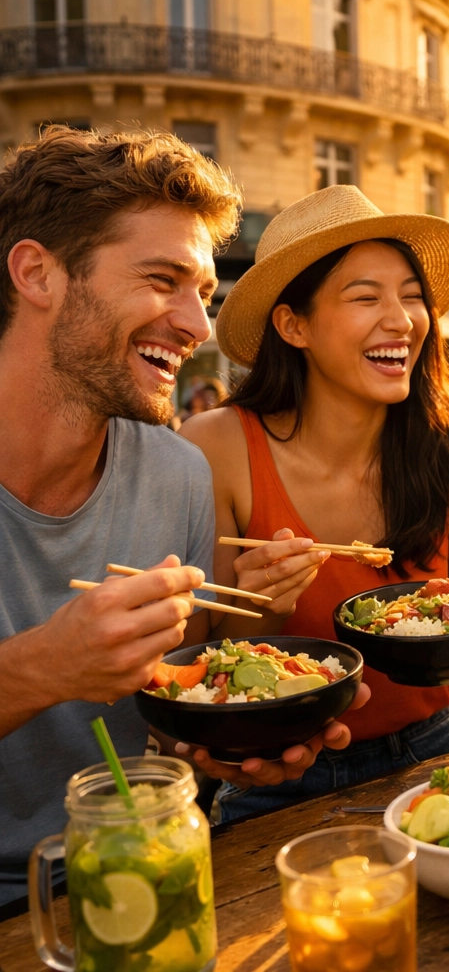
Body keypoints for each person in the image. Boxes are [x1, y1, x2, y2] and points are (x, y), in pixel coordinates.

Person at [0, 128, 367, 909]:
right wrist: (37, 670)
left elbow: (170, 719)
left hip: (149, 866)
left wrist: (235, 741)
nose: (199, 328)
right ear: (37, 273)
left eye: (202, 292)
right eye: (164, 280)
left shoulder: (176, 472)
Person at [181, 184, 449, 821]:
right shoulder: (216, 446)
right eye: (365, 296)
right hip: (277, 772)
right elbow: (201, 668)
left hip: (438, 747)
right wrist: (264, 604)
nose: (401, 319)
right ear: (294, 324)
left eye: (412, 296)